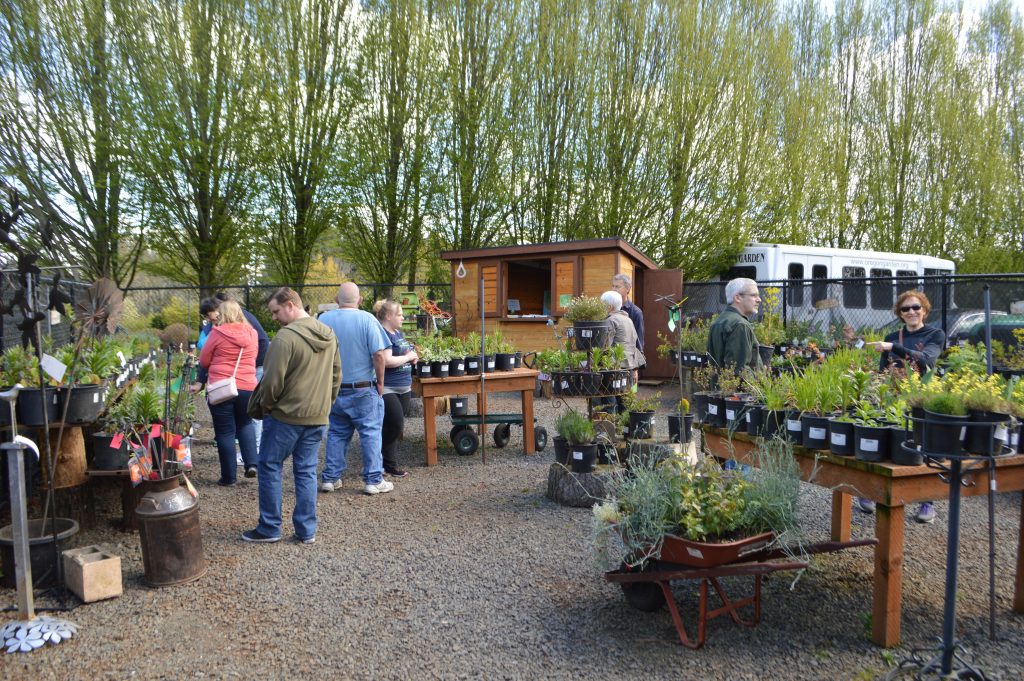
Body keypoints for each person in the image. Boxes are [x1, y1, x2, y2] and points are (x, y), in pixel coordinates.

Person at [242, 287, 341, 544]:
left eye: (275, 311)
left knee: (269, 466)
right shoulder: (329, 335)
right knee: (306, 471)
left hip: (285, 416)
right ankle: (306, 531)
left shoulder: (285, 339)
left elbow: (271, 383)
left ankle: (269, 528)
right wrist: (324, 406)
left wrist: (267, 407)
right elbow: (336, 376)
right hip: (317, 417)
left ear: (289, 304)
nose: (274, 317)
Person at [859, 290, 946, 524]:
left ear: (924, 310)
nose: (911, 312)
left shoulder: (935, 334)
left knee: (922, 446)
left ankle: (927, 500)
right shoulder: (892, 335)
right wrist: (875, 392)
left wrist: (892, 347)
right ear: (900, 313)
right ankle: (873, 494)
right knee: (887, 444)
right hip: (893, 397)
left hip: (920, 397)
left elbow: (926, 360)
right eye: (905, 309)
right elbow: (882, 370)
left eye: (916, 307)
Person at [318, 282, 392, 495]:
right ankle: (373, 480)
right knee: (370, 433)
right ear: (359, 300)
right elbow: (379, 354)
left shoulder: (323, 320)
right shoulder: (367, 319)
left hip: (334, 389)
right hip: (363, 388)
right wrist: (380, 381)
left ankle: (330, 479)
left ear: (336, 300)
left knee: (337, 434)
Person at [198, 300, 259, 485]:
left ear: (222, 314)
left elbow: (204, 360)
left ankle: (229, 477)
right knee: (245, 424)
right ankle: (252, 464)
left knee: (225, 432)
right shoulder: (252, 333)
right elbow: (254, 357)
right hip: (247, 386)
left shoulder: (217, 333)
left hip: (222, 387)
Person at [216, 291, 270, 455]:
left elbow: (263, 341)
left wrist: (252, 363)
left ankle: (255, 449)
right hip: (252, 367)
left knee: (252, 412)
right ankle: (252, 451)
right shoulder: (241, 320)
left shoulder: (245, 319)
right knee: (247, 412)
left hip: (255, 367)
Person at [374, 299, 419, 478]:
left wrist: (412, 355)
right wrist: (408, 358)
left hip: (404, 386)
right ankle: (382, 463)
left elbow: (403, 353)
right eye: (399, 314)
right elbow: (387, 361)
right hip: (389, 388)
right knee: (395, 424)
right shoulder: (382, 334)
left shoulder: (397, 332)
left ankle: (387, 465)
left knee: (393, 426)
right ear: (388, 316)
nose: (402, 317)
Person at [707, 278, 763, 373]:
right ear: (737, 298)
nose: (759, 300)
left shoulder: (719, 321)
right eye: (753, 295)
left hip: (719, 386)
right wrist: (763, 384)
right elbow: (740, 371)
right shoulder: (740, 325)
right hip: (735, 387)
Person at [611, 274, 645, 361]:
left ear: (628, 289)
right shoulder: (607, 310)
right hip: (609, 360)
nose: (614, 289)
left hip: (627, 361)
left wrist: (636, 367)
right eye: (613, 286)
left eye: (617, 286)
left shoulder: (636, 312)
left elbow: (639, 340)